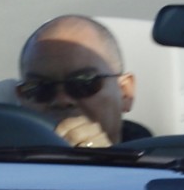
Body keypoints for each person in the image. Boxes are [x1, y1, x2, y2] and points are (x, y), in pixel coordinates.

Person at [16, 14, 151, 147]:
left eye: (83, 83)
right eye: (39, 88)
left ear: (125, 93)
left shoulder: (157, 158)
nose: (62, 101)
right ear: (21, 99)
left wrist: (102, 158)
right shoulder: (6, 156)